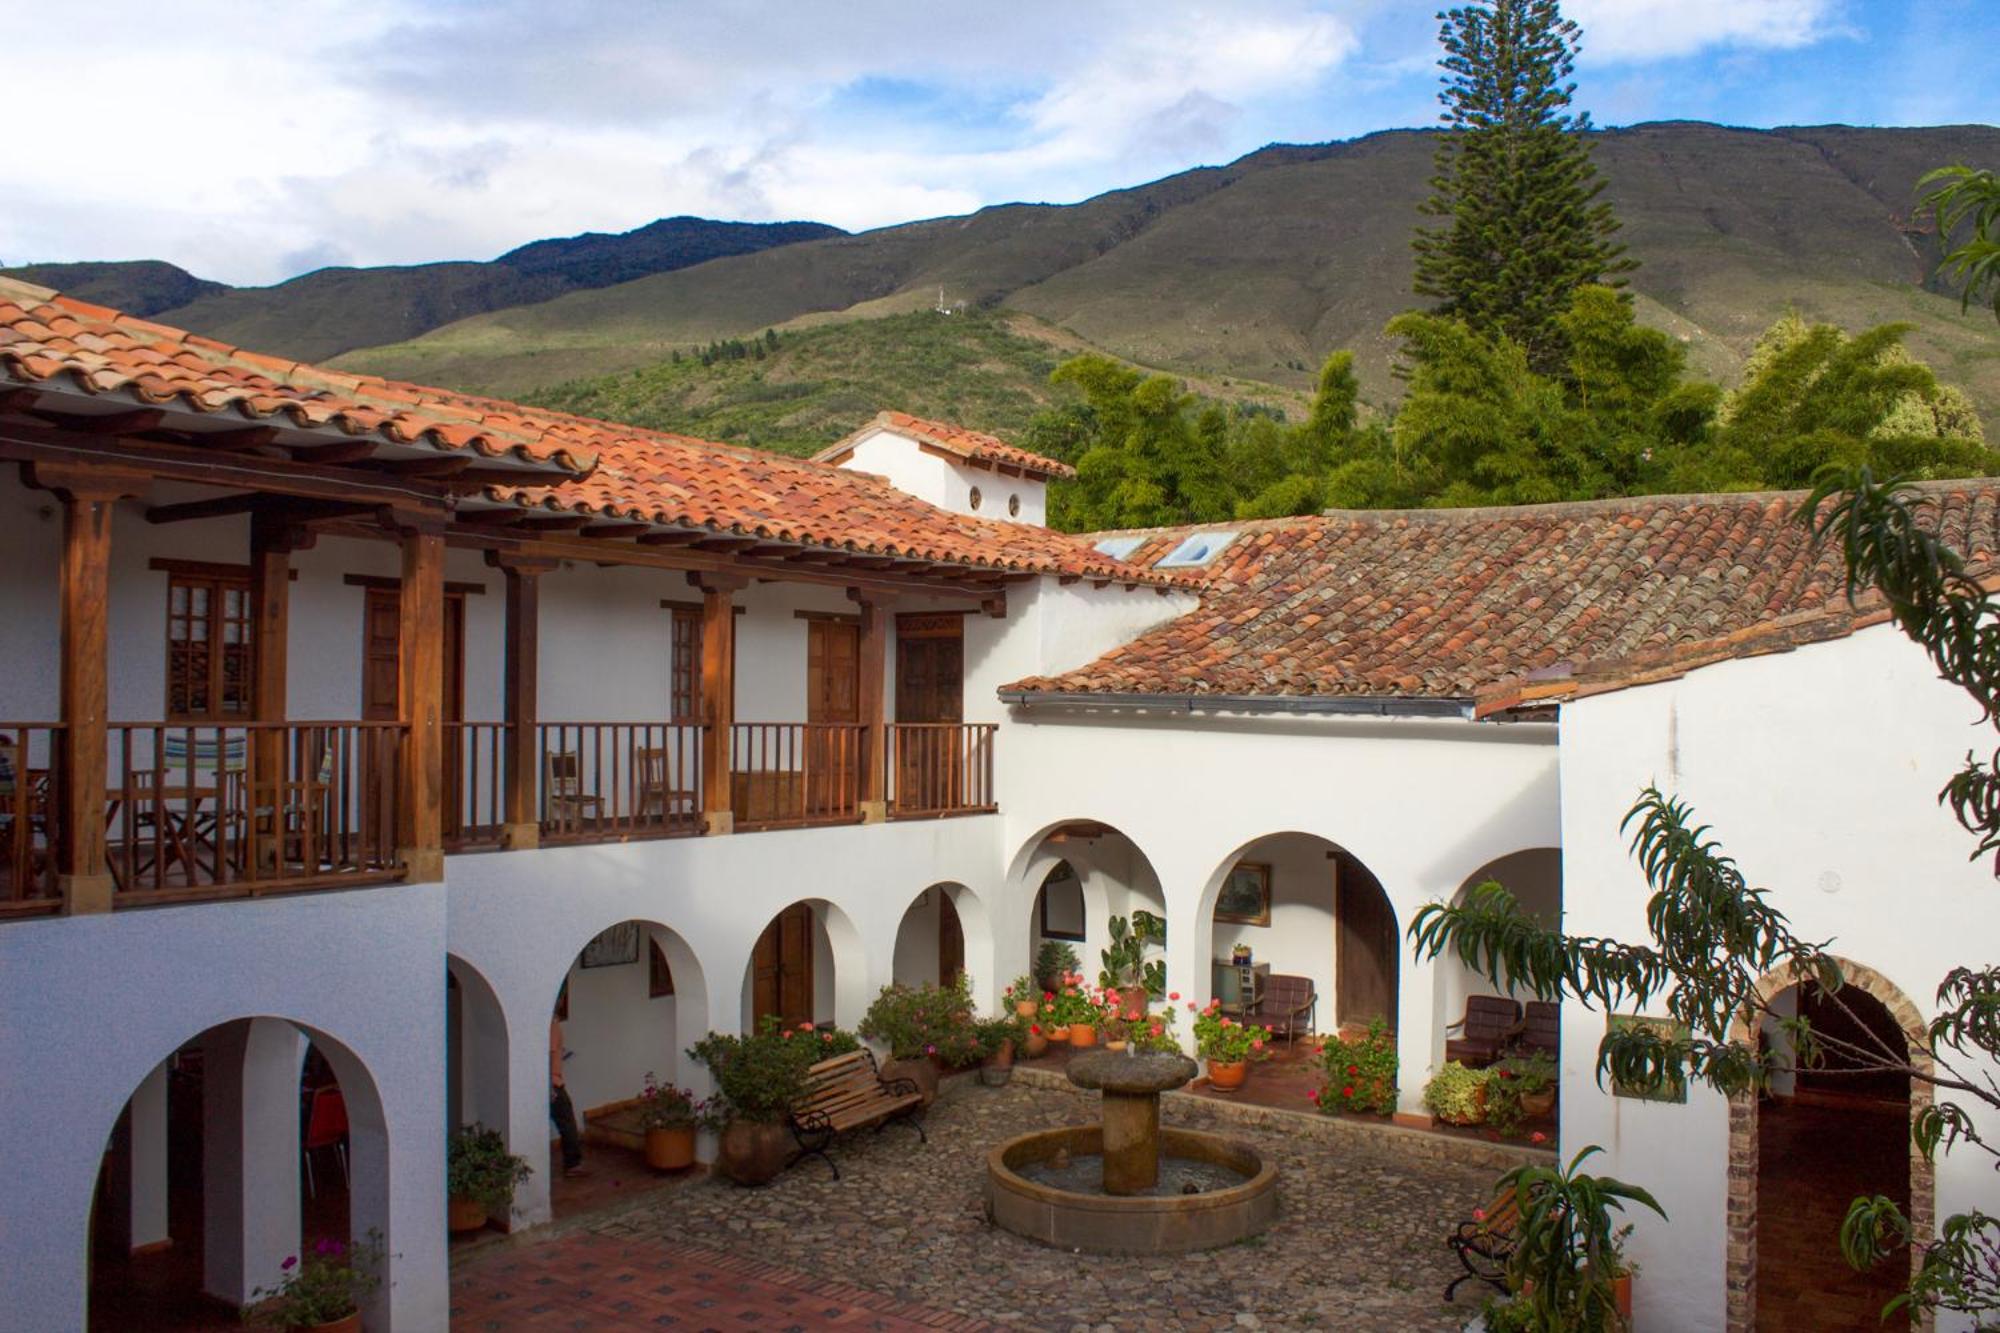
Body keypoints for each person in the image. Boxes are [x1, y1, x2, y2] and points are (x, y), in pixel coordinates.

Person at [549, 1014, 586, 1177]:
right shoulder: (551, 1024)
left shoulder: (550, 1022)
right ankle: (573, 1164)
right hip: (553, 1083)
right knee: (567, 1122)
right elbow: (549, 1054)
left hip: (551, 1081)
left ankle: (573, 1163)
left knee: (565, 1121)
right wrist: (550, 1087)